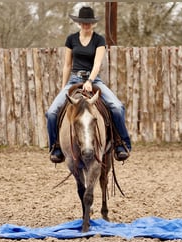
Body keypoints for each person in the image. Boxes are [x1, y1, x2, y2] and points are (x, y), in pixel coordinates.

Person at [45, 6, 131, 163]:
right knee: (51, 112)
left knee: (117, 107)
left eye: (89, 22)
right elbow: (67, 65)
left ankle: (121, 144)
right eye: (83, 22)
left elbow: (97, 63)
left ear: (93, 24)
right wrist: (64, 88)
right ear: (79, 23)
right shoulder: (71, 39)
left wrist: (90, 80)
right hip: (73, 80)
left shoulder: (99, 40)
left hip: (94, 80)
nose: (86, 25)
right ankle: (56, 147)